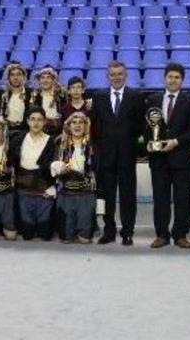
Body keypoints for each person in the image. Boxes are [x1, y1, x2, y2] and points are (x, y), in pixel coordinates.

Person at [146, 63, 190, 249]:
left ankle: (180, 235)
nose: (173, 80)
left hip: (181, 158)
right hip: (159, 159)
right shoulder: (153, 99)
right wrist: (146, 143)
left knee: (182, 198)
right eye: (170, 76)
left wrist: (176, 141)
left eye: (177, 77)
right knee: (160, 198)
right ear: (164, 78)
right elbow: (147, 128)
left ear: (182, 80)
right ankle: (161, 234)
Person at [91, 61, 144, 246]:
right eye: (112, 74)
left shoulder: (135, 96)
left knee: (128, 196)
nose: (116, 77)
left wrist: (133, 147)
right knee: (107, 196)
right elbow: (95, 126)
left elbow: (141, 127)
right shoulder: (98, 97)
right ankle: (109, 231)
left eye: (120, 74)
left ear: (126, 75)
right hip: (105, 157)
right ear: (107, 76)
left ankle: (128, 232)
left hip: (127, 156)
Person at [10, 107, 56, 241]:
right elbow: (11, 163)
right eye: (33, 119)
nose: (36, 123)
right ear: (27, 121)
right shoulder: (17, 139)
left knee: (45, 235)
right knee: (27, 235)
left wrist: (54, 188)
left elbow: (56, 167)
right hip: (24, 192)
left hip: (44, 191)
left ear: (45, 122)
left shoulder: (52, 141)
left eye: (40, 120)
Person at [51, 112, 96, 244]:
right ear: (68, 126)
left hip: (86, 193)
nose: (77, 126)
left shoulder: (93, 145)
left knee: (85, 239)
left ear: (86, 126)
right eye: (73, 123)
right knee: (66, 238)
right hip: (66, 192)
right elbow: (52, 164)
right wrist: (58, 168)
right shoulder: (60, 143)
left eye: (80, 123)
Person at [0, 62, 31, 138]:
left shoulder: (31, 94)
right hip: (8, 132)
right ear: (8, 78)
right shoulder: (4, 95)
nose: (15, 77)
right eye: (12, 75)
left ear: (24, 76)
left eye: (18, 74)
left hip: (26, 132)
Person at [31, 66, 65, 136]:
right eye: (42, 77)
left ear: (53, 80)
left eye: (48, 77)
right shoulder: (35, 97)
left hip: (58, 132)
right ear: (39, 80)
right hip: (40, 131)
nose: (45, 80)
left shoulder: (61, 97)